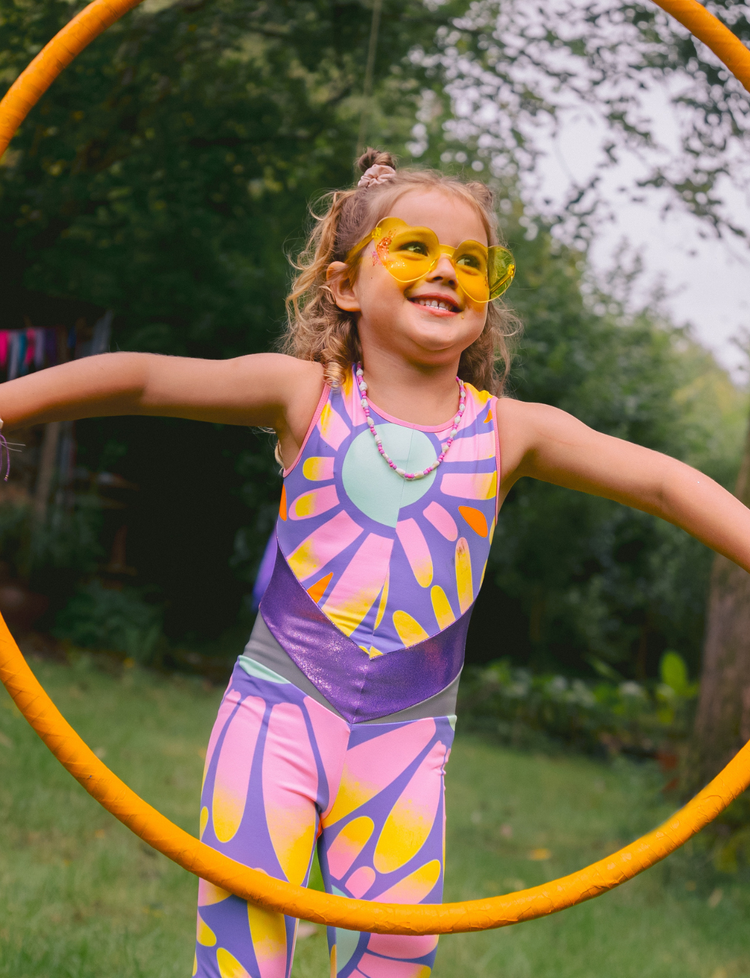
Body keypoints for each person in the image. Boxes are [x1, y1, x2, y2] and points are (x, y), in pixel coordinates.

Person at [3, 148, 750, 978]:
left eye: (473, 260)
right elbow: (142, 381)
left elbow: (661, 481)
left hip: (406, 740)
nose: (446, 272)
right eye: (414, 249)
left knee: (393, 959)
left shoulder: (509, 432)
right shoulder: (305, 395)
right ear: (346, 286)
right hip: (276, 716)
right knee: (243, 953)